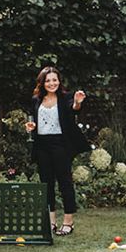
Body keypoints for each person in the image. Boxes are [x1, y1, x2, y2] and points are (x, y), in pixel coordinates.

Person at [24, 65, 88, 236]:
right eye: (48, 80)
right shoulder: (37, 99)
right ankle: (51, 222)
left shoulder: (66, 98)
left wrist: (77, 102)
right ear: (42, 83)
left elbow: (73, 109)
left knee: (64, 182)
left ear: (59, 81)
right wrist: (31, 126)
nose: (52, 83)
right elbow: (34, 119)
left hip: (61, 144)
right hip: (42, 144)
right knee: (47, 184)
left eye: (54, 80)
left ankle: (68, 222)